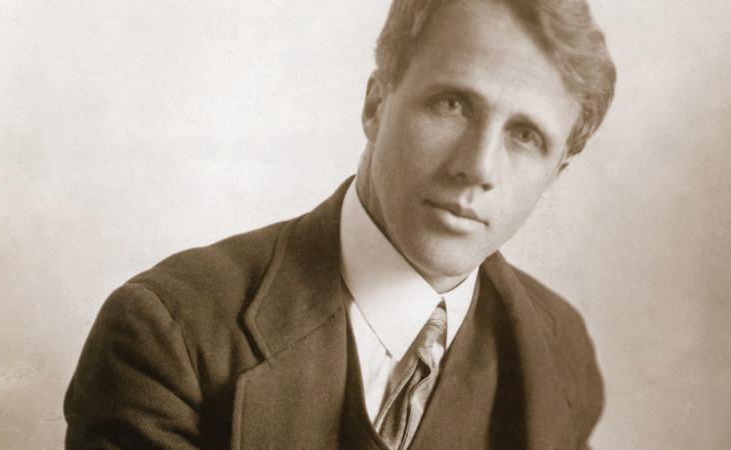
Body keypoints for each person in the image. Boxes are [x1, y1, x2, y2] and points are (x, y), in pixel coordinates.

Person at [64, 0, 616, 448]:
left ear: (555, 174)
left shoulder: (559, 349)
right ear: (376, 103)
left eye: (525, 137)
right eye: (452, 104)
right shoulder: (170, 332)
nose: (478, 166)